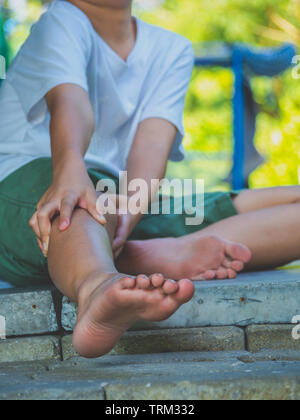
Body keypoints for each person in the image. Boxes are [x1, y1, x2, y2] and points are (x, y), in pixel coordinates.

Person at [0, 0, 297, 359]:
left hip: (117, 196)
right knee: (81, 201)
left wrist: (128, 213)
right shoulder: (61, 21)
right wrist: (70, 172)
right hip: (27, 179)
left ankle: (142, 252)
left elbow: (153, 142)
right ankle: (96, 284)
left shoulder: (171, 48)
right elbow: (70, 103)